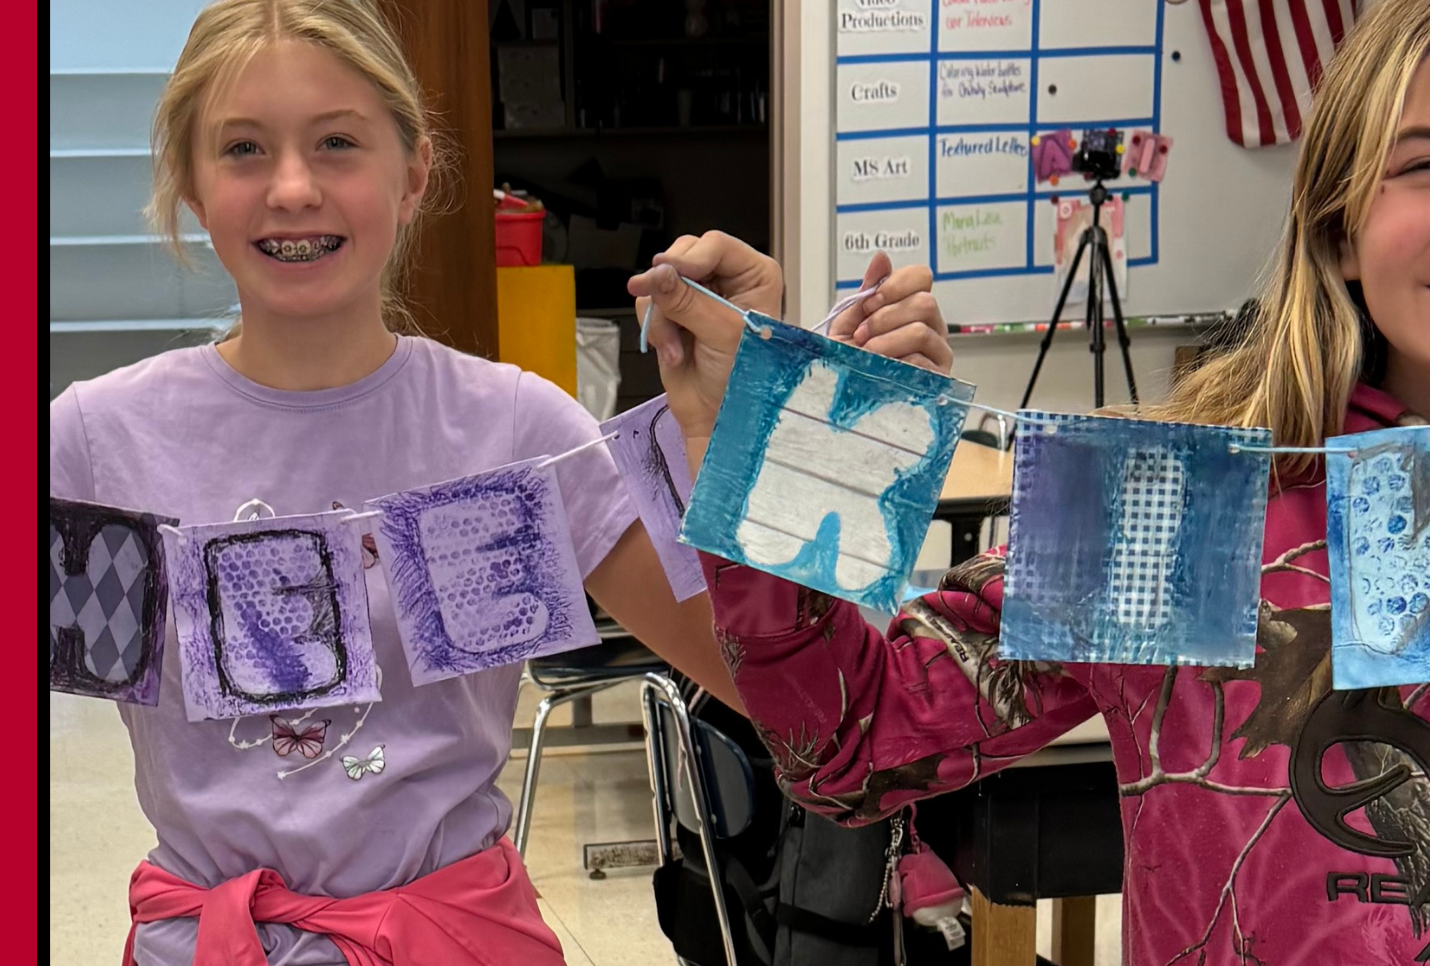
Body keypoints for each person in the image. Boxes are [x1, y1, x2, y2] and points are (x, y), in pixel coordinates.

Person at [636, 0, 1430, 963]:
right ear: (1336, 216)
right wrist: (779, 442)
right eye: (1425, 163)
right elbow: (853, 744)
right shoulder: (1178, 513)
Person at [45, 1, 951, 963]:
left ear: (414, 171)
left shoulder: (510, 429)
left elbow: (800, 700)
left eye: (338, 142)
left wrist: (809, 445)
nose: (294, 188)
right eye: (242, 150)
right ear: (189, 182)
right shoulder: (98, 441)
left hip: (452, 939)